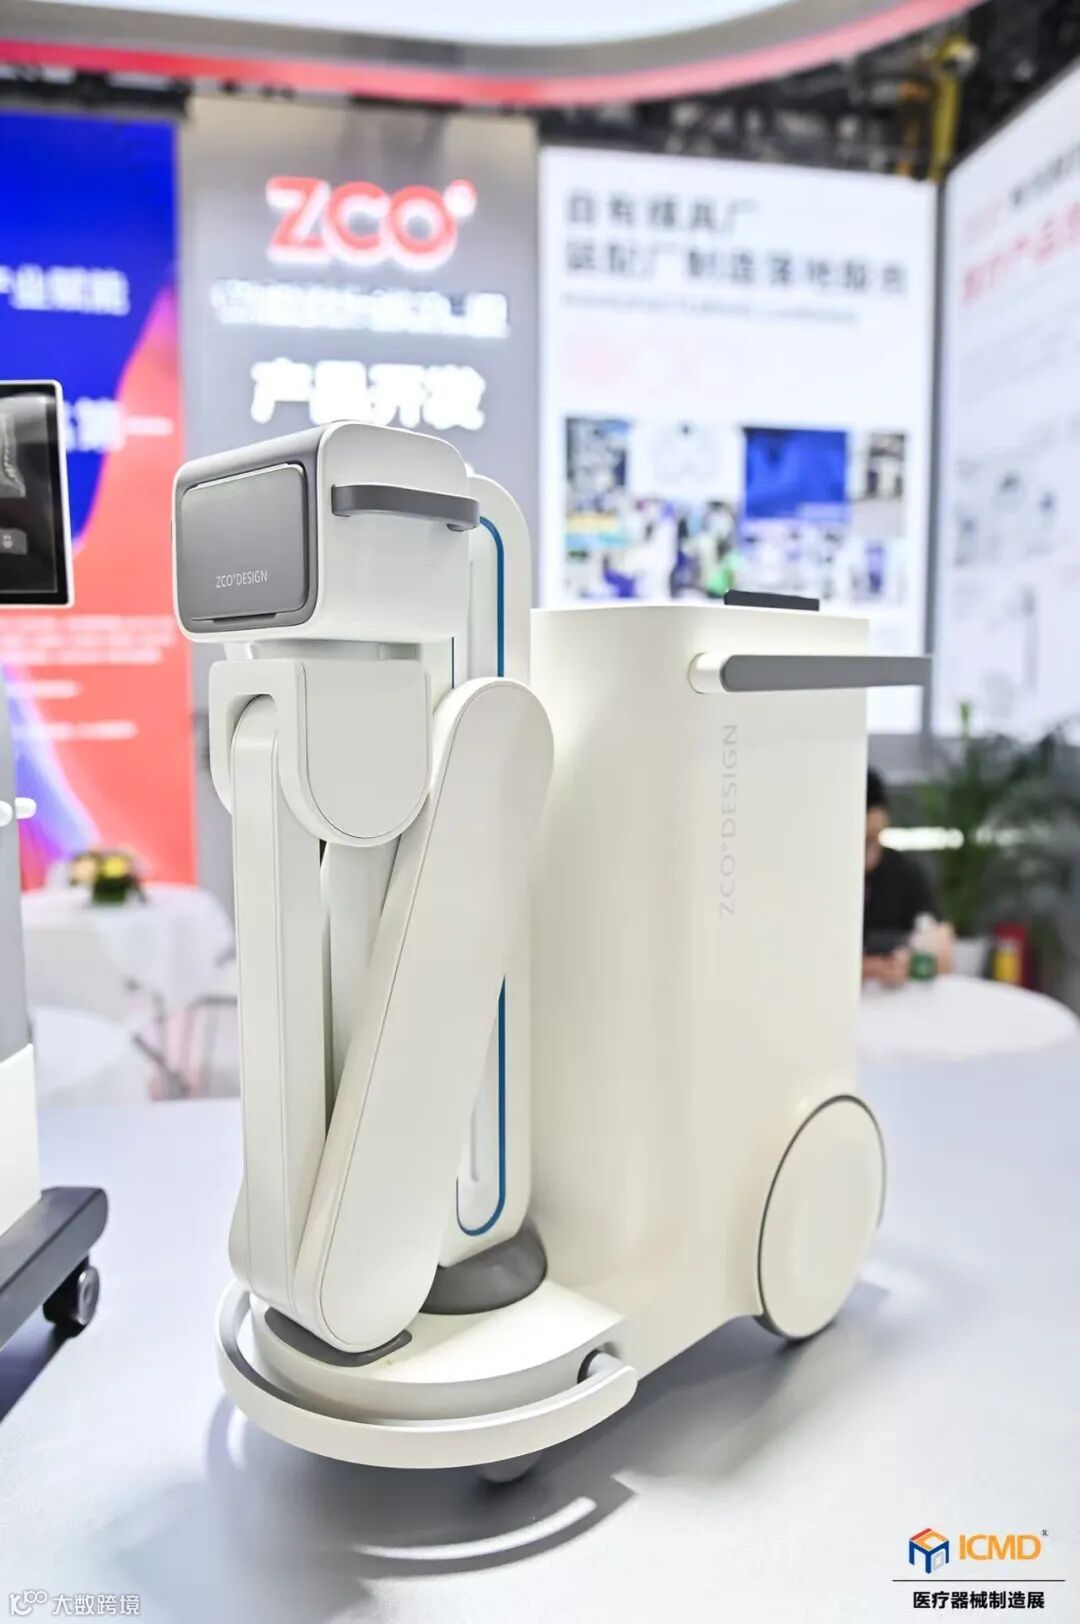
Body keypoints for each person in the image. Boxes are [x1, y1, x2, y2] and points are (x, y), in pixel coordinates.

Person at [863, 768, 953, 986]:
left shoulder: (906, 873)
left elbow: (944, 954)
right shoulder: (825, 880)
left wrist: (908, 964)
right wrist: (865, 969)